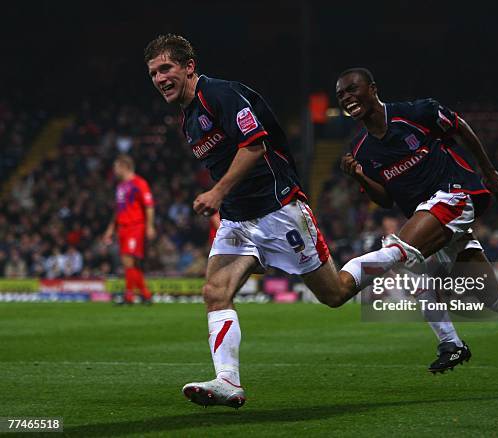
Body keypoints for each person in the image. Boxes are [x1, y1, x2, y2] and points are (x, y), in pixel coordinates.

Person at [144, 34, 468, 409]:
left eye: (166, 68)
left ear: (189, 66)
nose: (159, 78)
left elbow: (255, 146)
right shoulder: (186, 116)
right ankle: (227, 381)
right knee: (215, 292)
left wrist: (216, 193)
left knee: (334, 294)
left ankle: (391, 256)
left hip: (278, 210)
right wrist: (225, 202)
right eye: (153, 73)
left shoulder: (221, 95)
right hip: (237, 219)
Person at [336, 67, 498, 393]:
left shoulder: (415, 112)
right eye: (340, 94)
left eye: (352, 88)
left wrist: (488, 169)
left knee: (402, 252)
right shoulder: (362, 149)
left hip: (453, 195)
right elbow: (384, 198)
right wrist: (358, 176)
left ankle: (352, 283)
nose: (346, 96)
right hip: (430, 219)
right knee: (489, 294)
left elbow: (460, 127)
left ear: (373, 89)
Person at [103, 154, 155, 305]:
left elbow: (149, 206)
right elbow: (118, 210)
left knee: (128, 261)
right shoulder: (120, 186)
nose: (114, 170)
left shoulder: (139, 183)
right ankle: (145, 295)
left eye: (116, 167)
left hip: (135, 226)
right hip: (122, 228)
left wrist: (150, 226)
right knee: (131, 263)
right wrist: (110, 229)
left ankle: (129, 296)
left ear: (124, 167)